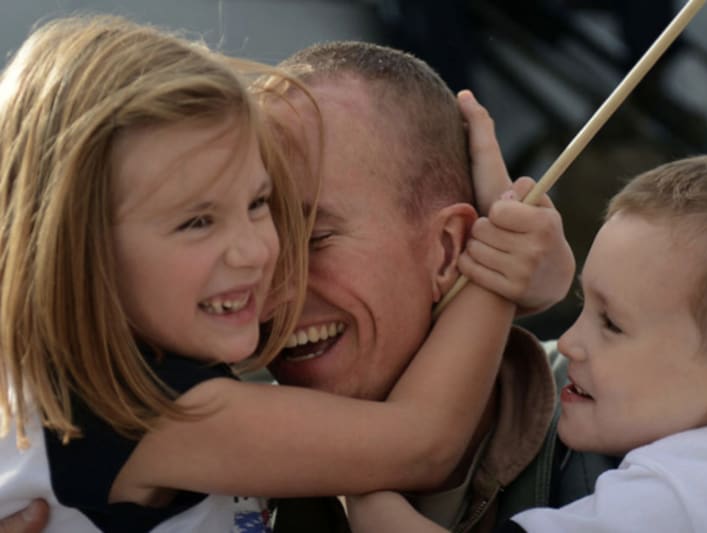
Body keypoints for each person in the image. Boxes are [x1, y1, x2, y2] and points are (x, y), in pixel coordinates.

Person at [0, 15, 536, 532]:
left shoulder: (123, 375)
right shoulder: (132, 409)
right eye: (197, 222)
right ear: (77, 248)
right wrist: (498, 259)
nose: (259, 253)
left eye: (257, 203)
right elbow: (423, 444)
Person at [344, 153, 707, 533]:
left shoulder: (682, 492)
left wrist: (364, 483)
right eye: (582, 305)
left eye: (612, 324)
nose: (567, 342)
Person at [260, 41, 589, 533]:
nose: (270, 299)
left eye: (315, 240)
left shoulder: (630, 438)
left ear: (448, 248)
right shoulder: (208, 470)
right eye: (255, 248)